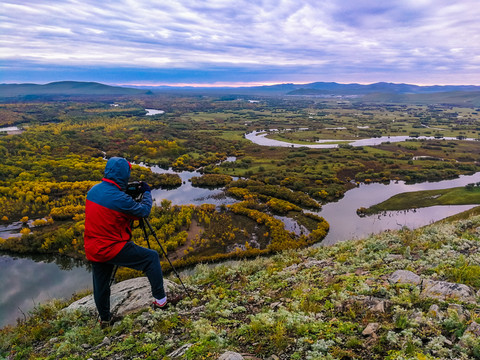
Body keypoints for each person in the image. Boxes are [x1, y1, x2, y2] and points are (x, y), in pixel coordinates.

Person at [84, 157, 178, 327]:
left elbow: (109, 205)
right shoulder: (120, 200)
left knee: (101, 286)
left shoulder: (93, 191)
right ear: (124, 175)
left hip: (93, 248)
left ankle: (104, 319)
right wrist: (147, 193)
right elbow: (143, 211)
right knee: (151, 258)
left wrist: (125, 192)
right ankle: (161, 301)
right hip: (113, 247)